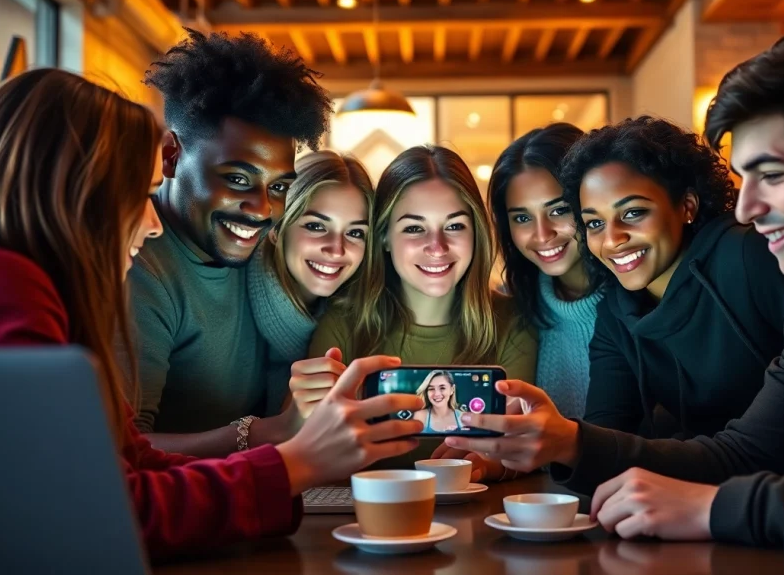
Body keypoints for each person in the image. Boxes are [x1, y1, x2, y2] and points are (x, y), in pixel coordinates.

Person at [442, 28, 784, 571]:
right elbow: (744, 452)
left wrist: (715, 508)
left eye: (771, 175)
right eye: (742, 179)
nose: (747, 207)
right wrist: (568, 441)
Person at [0, 69, 423, 558]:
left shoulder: (26, 284)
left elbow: (131, 466)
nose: (152, 223)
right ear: (67, 191)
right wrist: (296, 461)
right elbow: (97, 512)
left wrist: (292, 455)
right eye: (141, 195)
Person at [124, 28, 335, 458]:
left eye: (278, 188)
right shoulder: (136, 267)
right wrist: (267, 433)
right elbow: (122, 450)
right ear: (171, 156)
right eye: (238, 180)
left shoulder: (271, 258)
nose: (261, 210)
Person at [563, 116, 784, 439]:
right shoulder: (616, 313)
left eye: (633, 213)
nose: (612, 239)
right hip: (705, 478)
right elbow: (607, 433)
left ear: (687, 206)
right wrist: (558, 439)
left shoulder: (749, 257)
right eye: (594, 223)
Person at [296, 145, 537, 466]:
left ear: (476, 233)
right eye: (414, 228)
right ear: (383, 237)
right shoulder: (342, 323)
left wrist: (496, 461)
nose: (437, 246)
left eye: (454, 226)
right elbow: (307, 446)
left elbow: (520, 447)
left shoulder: (514, 323)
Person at [246, 150, 374, 430]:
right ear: (276, 229)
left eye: (355, 233)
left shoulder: (348, 317)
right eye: (316, 226)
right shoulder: (230, 294)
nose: (336, 249)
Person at [487, 122, 602, 420]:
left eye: (559, 210)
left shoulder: (642, 300)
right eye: (522, 217)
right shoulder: (518, 312)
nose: (542, 234)